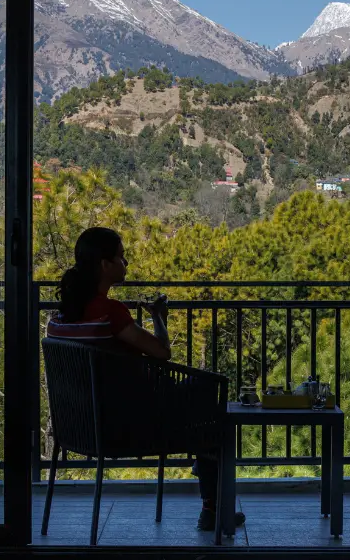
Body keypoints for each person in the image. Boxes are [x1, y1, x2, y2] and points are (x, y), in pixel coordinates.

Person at [46, 227, 243, 532]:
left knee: (206, 416)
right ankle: (213, 507)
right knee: (210, 399)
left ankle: (211, 497)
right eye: (121, 257)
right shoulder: (110, 312)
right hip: (127, 427)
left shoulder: (60, 319)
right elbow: (162, 351)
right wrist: (159, 317)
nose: (126, 263)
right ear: (104, 265)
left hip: (81, 426)